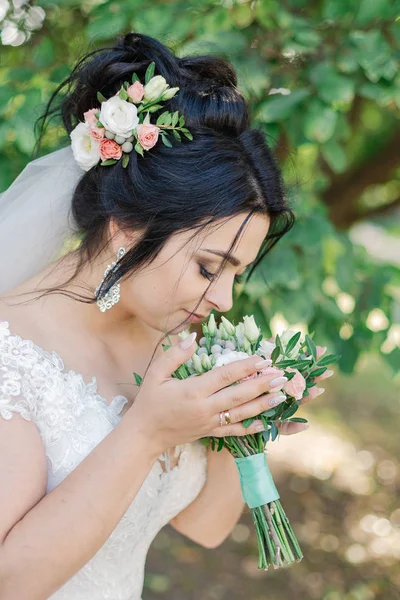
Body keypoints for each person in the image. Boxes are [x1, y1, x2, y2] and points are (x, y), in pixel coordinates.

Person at [0, 31, 322, 600]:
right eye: (208, 267)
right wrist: (145, 433)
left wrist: (241, 420)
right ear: (128, 224)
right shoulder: (11, 353)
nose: (223, 300)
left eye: (235, 275)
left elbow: (205, 526)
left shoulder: (169, 342)